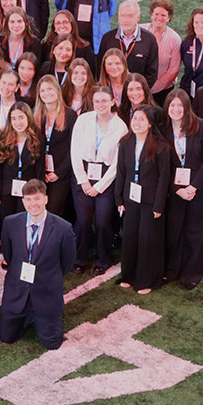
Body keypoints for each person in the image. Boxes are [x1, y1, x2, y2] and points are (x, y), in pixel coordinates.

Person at [0, 179, 76, 350]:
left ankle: (36, 314)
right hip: (17, 291)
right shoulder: (10, 223)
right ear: (23, 201)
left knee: (53, 344)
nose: (33, 203)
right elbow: (9, 255)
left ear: (46, 199)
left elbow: (67, 262)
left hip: (46, 294)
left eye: (37, 198)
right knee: (6, 338)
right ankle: (26, 315)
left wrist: (48, 277)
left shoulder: (64, 229)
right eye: (29, 199)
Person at [70, 86, 127, 275]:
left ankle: (102, 258)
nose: (101, 104)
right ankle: (81, 257)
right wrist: (83, 181)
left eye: (105, 100)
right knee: (84, 219)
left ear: (113, 102)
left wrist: (100, 186)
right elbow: (75, 151)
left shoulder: (120, 126)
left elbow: (118, 163)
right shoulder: (83, 120)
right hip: (83, 173)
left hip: (106, 177)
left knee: (103, 220)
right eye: (97, 101)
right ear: (92, 103)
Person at [162, 89, 203, 290]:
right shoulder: (163, 129)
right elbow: (163, 165)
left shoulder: (200, 126)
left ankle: (192, 273)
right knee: (174, 231)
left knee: (195, 232)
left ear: (186, 107)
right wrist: (177, 189)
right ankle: (172, 270)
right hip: (175, 191)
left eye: (179, 105)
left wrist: (193, 186)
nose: (176, 109)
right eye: (172, 105)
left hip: (198, 190)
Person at [114, 105, 170, 294]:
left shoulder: (161, 146)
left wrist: (158, 204)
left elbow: (164, 177)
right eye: (134, 118)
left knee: (147, 239)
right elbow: (121, 172)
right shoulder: (125, 143)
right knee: (130, 237)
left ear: (149, 124)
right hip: (130, 198)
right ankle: (128, 275)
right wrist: (119, 198)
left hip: (150, 200)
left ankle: (147, 280)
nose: (136, 123)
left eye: (141, 119)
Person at [0, 102, 43, 230]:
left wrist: (40, 192)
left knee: (25, 222)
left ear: (28, 118)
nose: (17, 122)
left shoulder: (38, 138)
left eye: (21, 117)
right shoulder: (2, 137)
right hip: (7, 188)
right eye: (13, 118)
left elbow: (40, 168)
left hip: (29, 188)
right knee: (8, 222)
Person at [33, 75, 77, 217]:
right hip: (40, 173)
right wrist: (41, 172)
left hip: (61, 174)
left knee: (53, 210)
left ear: (57, 91)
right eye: (43, 90)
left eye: (50, 89)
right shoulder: (36, 114)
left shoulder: (70, 115)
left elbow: (74, 148)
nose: (47, 93)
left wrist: (58, 173)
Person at [98, 0, 159, 86]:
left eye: (130, 16)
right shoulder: (107, 38)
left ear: (138, 17)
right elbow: (99, 68)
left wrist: (137, 91)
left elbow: (152, 74)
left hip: (136, 94)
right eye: (123, 15)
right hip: (112, 92)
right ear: (118, 17)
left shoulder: (149, 40)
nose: (126, 19)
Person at [140, 0, 181, 105]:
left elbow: (173, 70)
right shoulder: (139, 31)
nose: (159, 18)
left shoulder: (174, 39)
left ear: (169, 18)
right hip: (137, 88)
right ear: (151, 15)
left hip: (162, 92)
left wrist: (151, 88)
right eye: (156, 14)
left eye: (163, 15)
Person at [44, 9, 97, 74]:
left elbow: (91, 74)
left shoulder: (84, 48)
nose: (61, 26)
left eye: (65, 22)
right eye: (58, 23)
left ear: (72, 24)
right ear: (54, 27)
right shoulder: (47, 46)